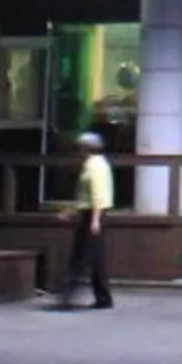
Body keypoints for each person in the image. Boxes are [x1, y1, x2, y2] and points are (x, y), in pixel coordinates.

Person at [60, 130, 114, 309]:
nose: (78, 151)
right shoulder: (95, 164)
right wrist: (73, 210)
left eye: (80, 147)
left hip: (92, 214)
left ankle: (95, 297)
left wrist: (95, 220)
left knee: (88, 257)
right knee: (90, 257)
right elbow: (85, 195)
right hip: (89, 213)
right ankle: (100, 297)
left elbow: (98, 194)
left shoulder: (95, 166)